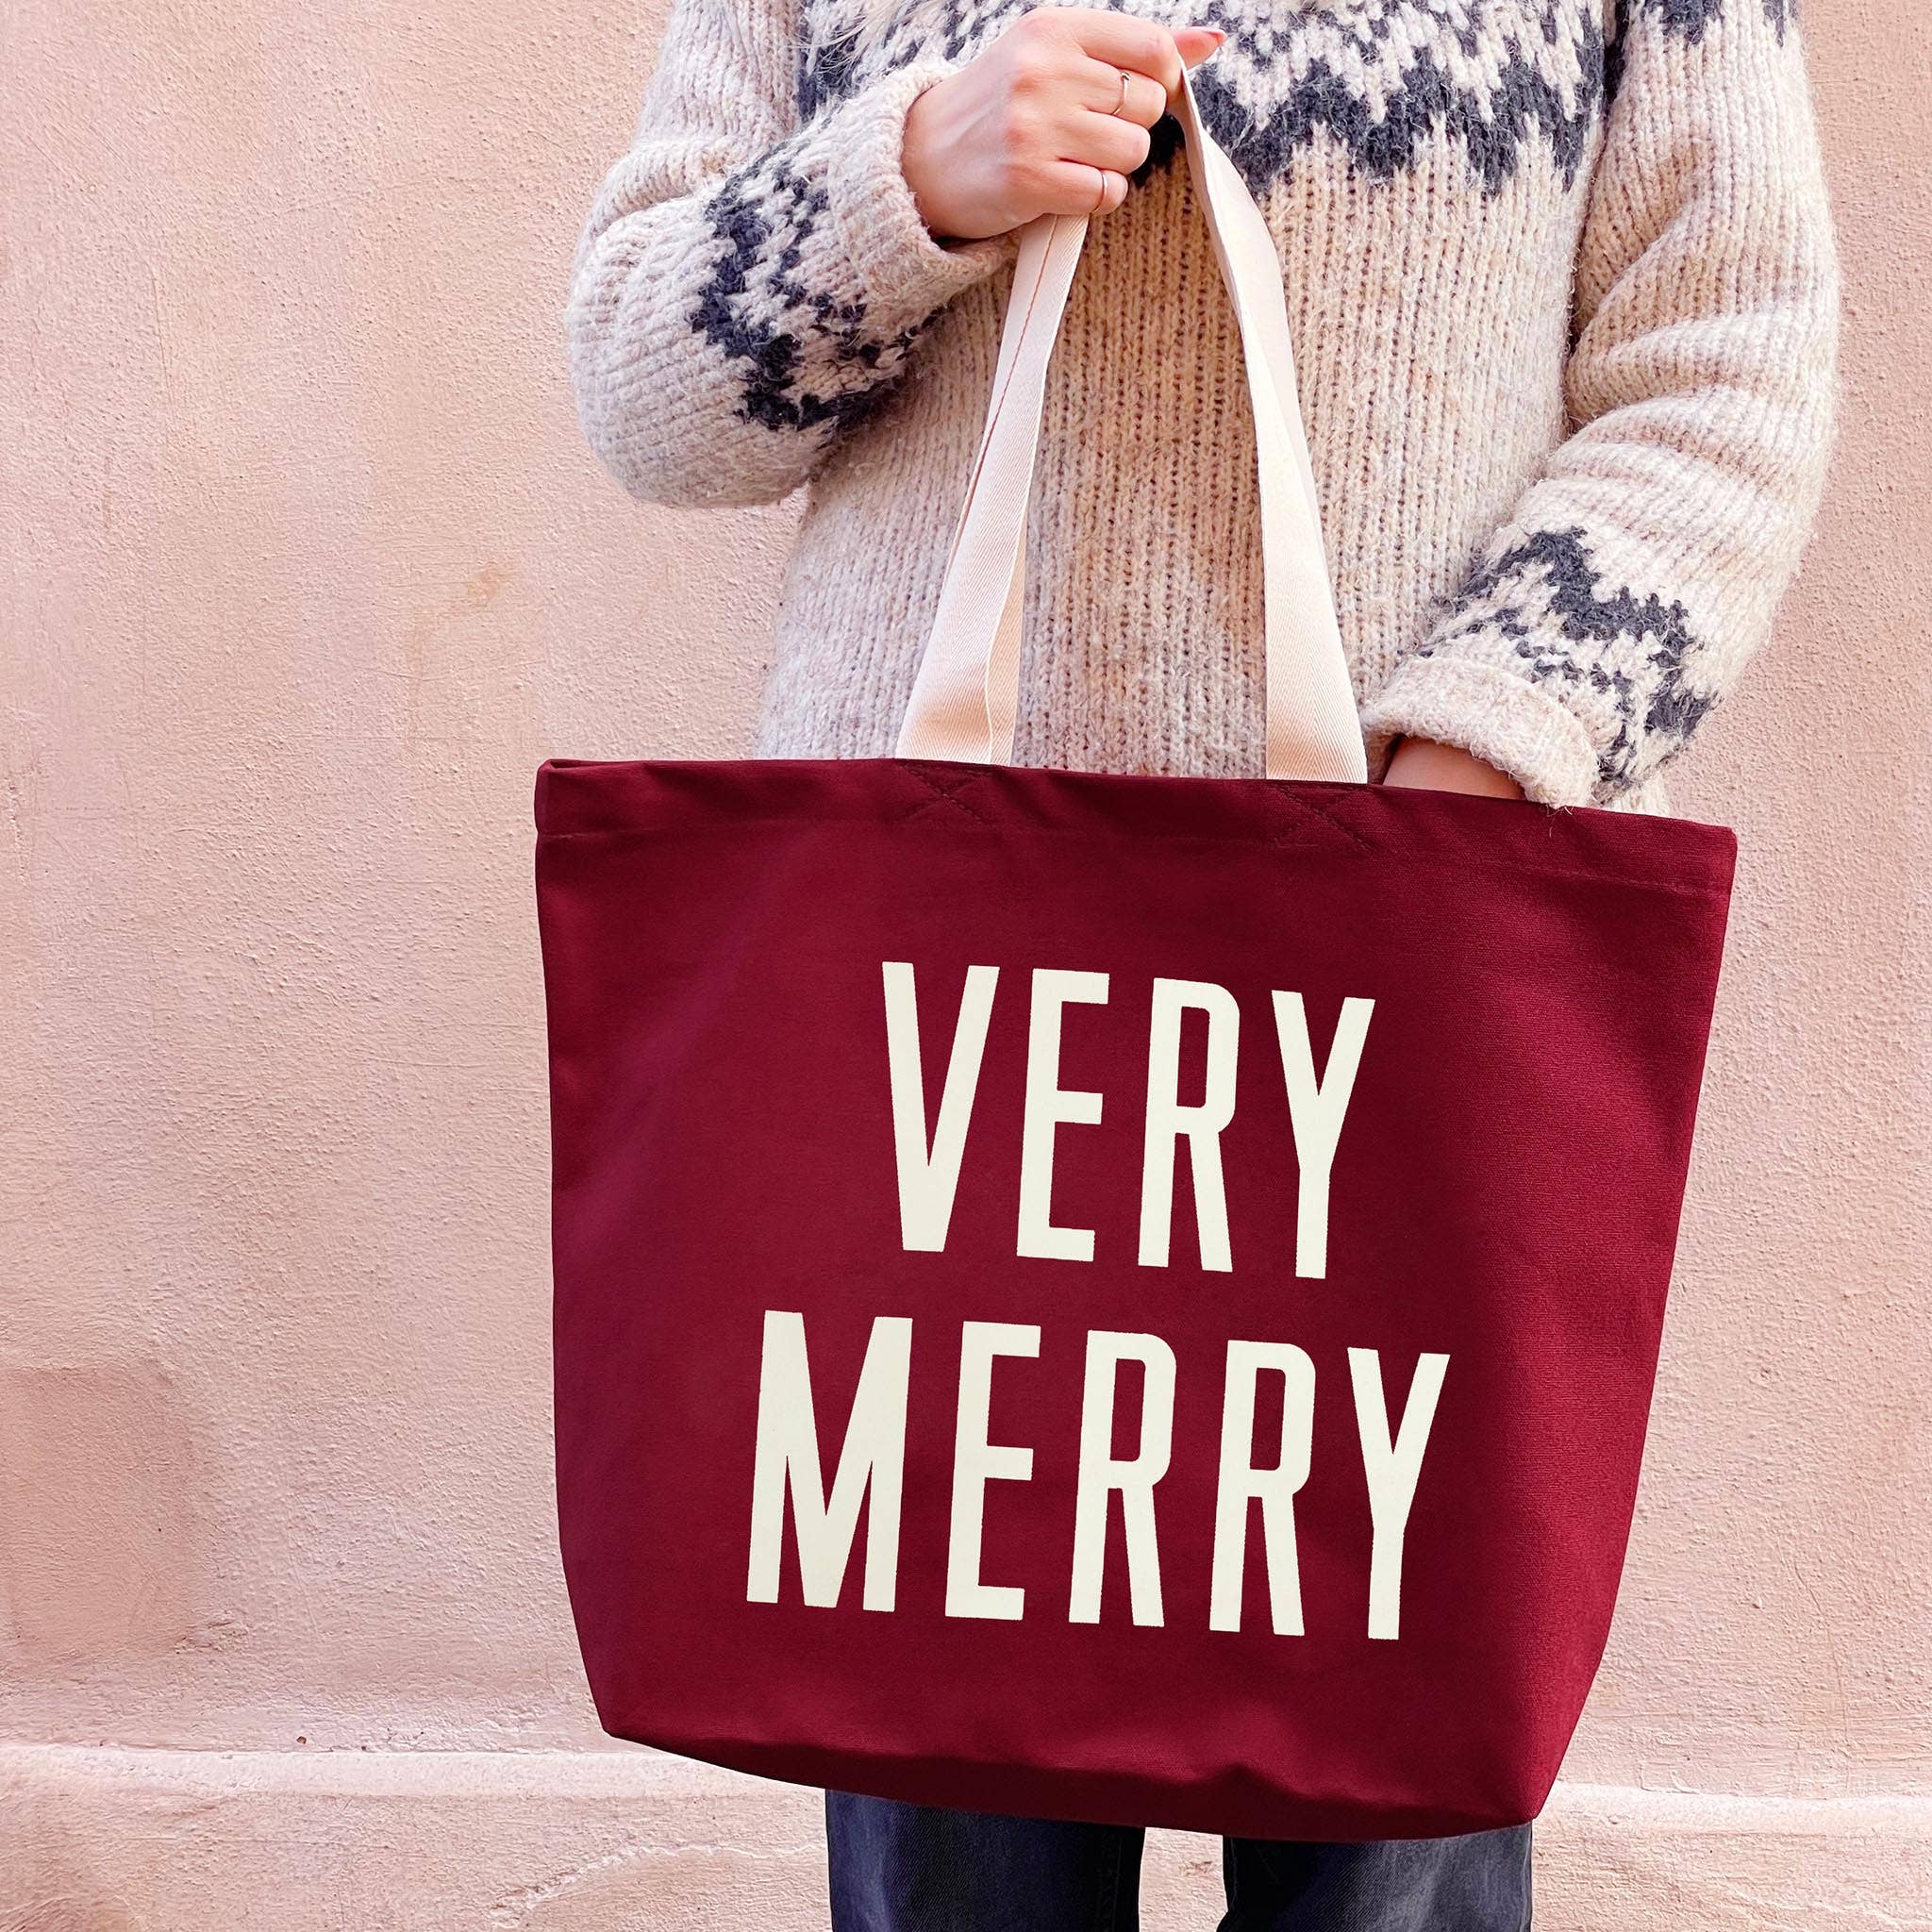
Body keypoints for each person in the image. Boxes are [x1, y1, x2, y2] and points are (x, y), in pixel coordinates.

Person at [564, 0, 1840, 1923]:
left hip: (1400, 1017)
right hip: (946, 1052)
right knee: (954, 1835)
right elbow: (640, 392)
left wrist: (1491, 753)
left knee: (1383, 1828)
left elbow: (1727, 367)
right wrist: (907, 178)